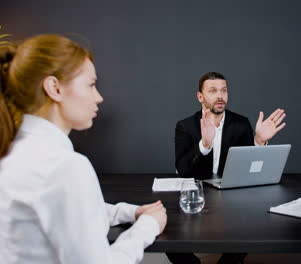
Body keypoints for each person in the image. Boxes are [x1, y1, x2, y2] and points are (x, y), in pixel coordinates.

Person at [0, 34, 167, 264]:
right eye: (91, 85)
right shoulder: (64, 167)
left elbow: (67, 211)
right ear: (54, 88)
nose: (98, 97)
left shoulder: (14, 155)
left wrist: (130, 212)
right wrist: (148, 227)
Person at [171, 72, 286, 264]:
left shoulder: (241, 124)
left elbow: (251, 170)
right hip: (197, 196)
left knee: (246, 234)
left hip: (231, 199)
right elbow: (183, 170)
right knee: (171, 242)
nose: (220, 96)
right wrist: (204, 145)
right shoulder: (185, 126)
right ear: (200, 96)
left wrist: (258, 141)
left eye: (224, 90)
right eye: (213, 91)